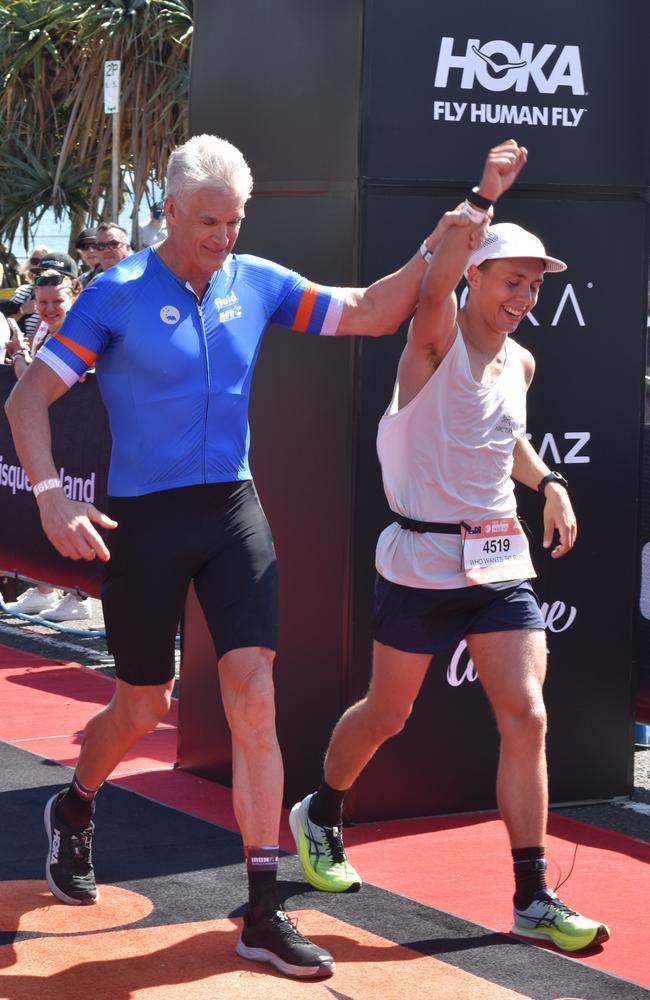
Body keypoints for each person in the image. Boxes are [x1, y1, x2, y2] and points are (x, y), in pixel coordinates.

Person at [4, 133, 482, 982]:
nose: (222, 238)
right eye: (207, 223)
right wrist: (49, 494)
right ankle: (76, 806)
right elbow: (30, 398)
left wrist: (442, 240)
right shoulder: (114, 295)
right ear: (171, 211)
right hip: (146, 522)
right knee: (142, 704)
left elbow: (374, 310)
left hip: (232, 509)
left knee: (253, 695)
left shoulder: (255, 281)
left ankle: (263, 908)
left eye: (234, 221)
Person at [290, 140, 610, 956]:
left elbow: (506, 443)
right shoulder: (431, 344)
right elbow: (428, 288)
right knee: (388, 714)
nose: (526, 296)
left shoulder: (523, 362)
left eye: (536, 285)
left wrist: (552, 484)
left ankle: (532, 894)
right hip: (421, 560)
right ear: (476, 277)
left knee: (528, 717)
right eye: (514, 279)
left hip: (500, 559)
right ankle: (320, 812)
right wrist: (483, 196)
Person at [3, 265, 91, 623]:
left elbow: (37, 382)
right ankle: (44, 588)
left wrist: (21, 357)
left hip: (77, 437)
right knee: (40, 508)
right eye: (42, 302)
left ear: (73, 296)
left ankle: (79, 593)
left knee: (75, 508)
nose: (49, 308)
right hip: (47, 437)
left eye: (57, 301)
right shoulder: (42, 327)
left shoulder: (79, 330)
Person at [10, 244, 51, 340]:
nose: (38, 265)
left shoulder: (56, 294)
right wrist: (22, 311)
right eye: (35, 261)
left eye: (44, 261)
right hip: (18, 348)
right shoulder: (22, 291)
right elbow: (6, 323)